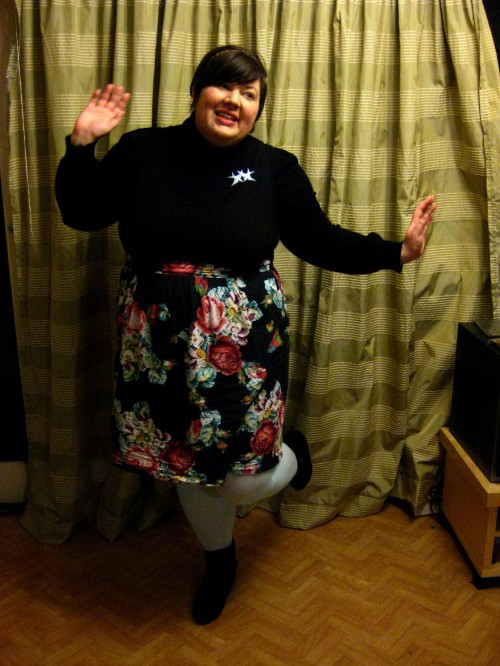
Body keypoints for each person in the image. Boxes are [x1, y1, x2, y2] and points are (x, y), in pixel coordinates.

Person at [55, 44, 436, 625]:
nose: (235, 100)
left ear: (259, 108)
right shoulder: (144, 150)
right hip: (157, 342)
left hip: (244, 346)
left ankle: (292, 457)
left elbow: (320, 240)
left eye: (250, 93)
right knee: (185, 461)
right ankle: (220, 560)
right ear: (198, 91)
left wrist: (398, 252)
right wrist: (81, 145)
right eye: (224, 86)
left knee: (242, 477)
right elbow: (82, 212)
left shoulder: (273, 168)